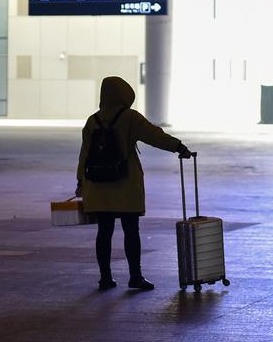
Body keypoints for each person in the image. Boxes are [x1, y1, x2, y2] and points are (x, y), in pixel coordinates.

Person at [75, 76, 192, 291]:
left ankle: (105, 278)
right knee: (131, 230)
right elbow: (155, 136)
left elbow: (84, 154)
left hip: (97, 183)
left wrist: (80, 181)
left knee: (104, 231)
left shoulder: (92, 120)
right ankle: (135, 276)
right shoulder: (129, 117)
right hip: (124, 183)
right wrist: (179, 147)